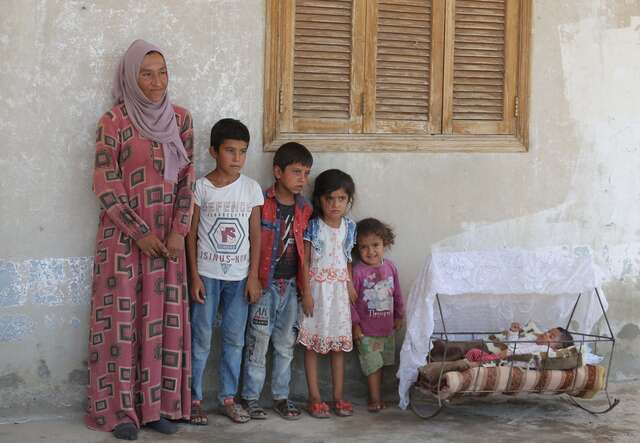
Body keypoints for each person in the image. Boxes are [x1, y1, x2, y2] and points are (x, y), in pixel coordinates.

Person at [86, 39, 194, 441]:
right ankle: (120, 414)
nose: (156, 81)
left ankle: (156, 408)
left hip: (167, 240)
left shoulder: (181, 120)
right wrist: (139, 231)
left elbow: (187, 179)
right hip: (123, 240)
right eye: (146, 73)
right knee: (121, 324)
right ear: (131, 77)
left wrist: (178, 231)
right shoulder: (113, 121)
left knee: (161, 321)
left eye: (162, 72)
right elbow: (104, 182)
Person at [187, 118, 263, 425]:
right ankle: (193, 398)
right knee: (201, 338)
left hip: (239, 278)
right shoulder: (201, 188)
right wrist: (193, 276)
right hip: (206, 274)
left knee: (234, 339)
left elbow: (256, 235)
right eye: (230, 151)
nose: (237, 159)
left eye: (243, 152)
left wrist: (254, 275)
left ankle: (228, 398)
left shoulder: (251, 189)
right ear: (214, 152)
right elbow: (190, 234)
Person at [240, 142, 314, 420]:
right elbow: (251, 244)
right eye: (296, 172)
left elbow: (305, 254)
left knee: (285, 345)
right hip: (266, 286)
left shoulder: (304, 209)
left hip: (291, 288)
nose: (302, 179)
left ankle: (281, 397)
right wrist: (254, 279)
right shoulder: (260, 202)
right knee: (258, 342)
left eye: (306, 173)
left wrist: (306, 290)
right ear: (278, 172)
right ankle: (250, 397)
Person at [297, 169, 357, 418]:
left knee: (337, 347)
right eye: (329, 198)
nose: (335, 204)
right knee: (312, 346)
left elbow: (348, 259)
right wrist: (307, 293)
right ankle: (314, 397)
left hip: (340, 294)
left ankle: (338, 396)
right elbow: (305, 262)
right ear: (319, 199)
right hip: (318, 292)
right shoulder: (313, 226)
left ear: (348, 201)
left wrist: (350, 284)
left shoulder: (349, 227)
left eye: (341, 199)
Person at [350, 218, 404, 413]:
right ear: (357, 248)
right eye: (364, 247)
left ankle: (379, 396)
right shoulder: (357, 272)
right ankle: (375, 399)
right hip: (366, 331)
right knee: (372, 366)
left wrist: (399, 315)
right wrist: (355, 325)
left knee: (382, 364)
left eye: (376, 245)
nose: (371, 251)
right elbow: (351, 302)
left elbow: (397, 293)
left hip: (386, 328)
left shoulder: (390, 267)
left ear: (385, 244)